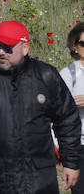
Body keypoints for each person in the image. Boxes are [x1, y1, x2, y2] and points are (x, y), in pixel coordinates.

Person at [0, 20, 81, 194]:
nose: (1, 52)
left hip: (38, 177)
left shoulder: (46, 76)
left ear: (25, 48)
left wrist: (70, 162)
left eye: (8, 47)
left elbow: (67, 119)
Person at [62, 21, 84, 194]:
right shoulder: (68, 74)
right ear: (74, 47)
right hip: (79, 145)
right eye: (83, 43)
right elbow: (58, 108)